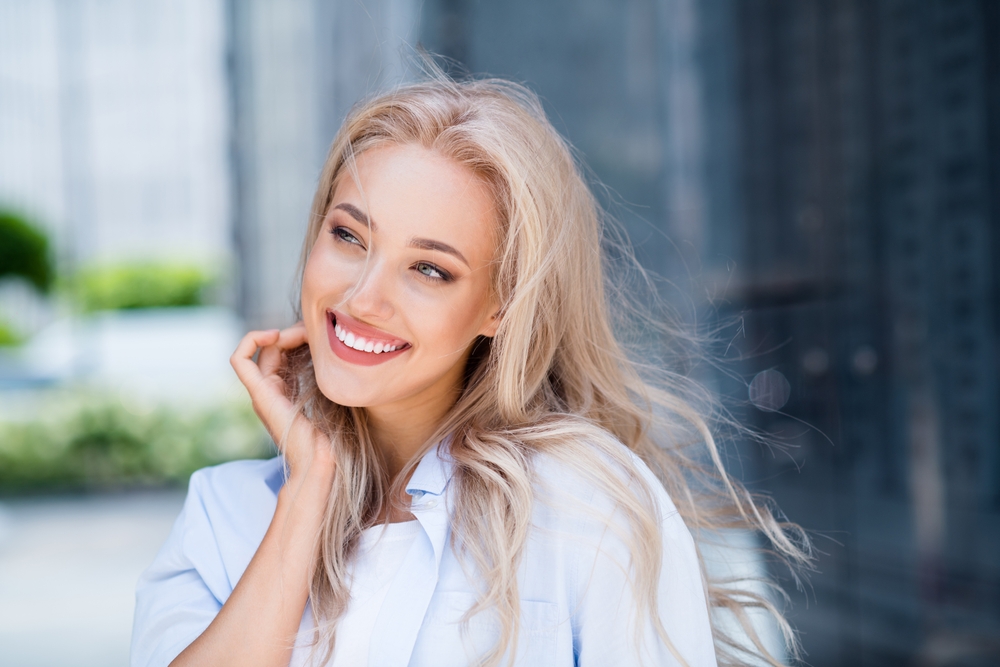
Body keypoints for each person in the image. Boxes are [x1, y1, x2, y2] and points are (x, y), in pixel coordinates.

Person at [131, 73, 808, 667]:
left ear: (499, 306)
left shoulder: (586, 510)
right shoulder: (225, 515)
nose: (363, 298)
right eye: (348, 236)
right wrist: (310, 486)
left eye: (430, 269)